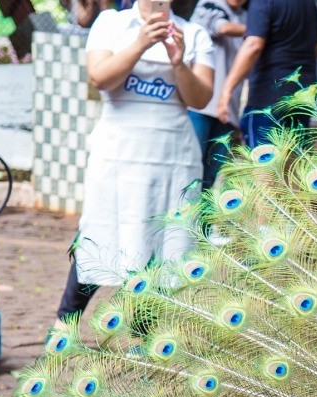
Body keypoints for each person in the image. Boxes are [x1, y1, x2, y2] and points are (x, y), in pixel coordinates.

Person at [55, 0, 214, 326]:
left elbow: (200, 99)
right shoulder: (110, 24)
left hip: (173, 157)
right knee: (101, 235)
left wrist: (179, 63)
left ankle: (144, 334)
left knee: (162, 242)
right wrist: (141, 42)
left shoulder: (196, 34)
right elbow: (100, 78)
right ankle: (64, 324)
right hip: (119, 154)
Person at [216, 0, 317, 148]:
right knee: (296, 158)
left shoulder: (262, 2)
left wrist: (227, 89)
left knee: (264, 160)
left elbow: (253, 45)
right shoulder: (308, 3)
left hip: (269, 94)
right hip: (304, 92)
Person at [188, 0, 246, 191]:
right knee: (190, 172)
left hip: (228, 113)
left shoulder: (245, 16)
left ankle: (202, 222)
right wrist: (260, 31)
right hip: (201, 107)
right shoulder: (209, 5)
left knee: (211, 177)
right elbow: (221, 27)